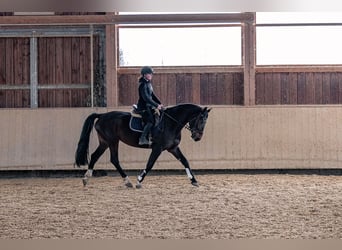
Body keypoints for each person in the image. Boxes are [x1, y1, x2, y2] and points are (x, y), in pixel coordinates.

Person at [136, 66, 163, 145]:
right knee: (150, 121)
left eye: (151, 74)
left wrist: (159, 103)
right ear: (144, 75)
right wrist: (156, 105)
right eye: (149, 74)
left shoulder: (149, 84)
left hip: (149, 106)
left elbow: (152, 95)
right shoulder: (142, 84)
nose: (151, 75)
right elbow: (146, 98)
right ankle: (142, 138)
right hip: (143, 107)